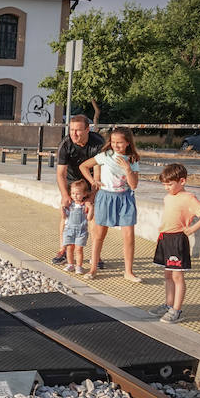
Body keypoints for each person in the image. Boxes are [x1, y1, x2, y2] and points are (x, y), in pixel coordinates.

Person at [149, 163, 200, 323]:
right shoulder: (168, 197)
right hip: (165, 238)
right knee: (168, 274)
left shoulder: (189, 198)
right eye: (164, 184)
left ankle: (177, 310)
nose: (166, 188)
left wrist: (192, 229)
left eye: (169, 184)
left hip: (177, 239)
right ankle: (168, 305)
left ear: (182, 181)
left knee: (177, 276)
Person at [79, 126, 141, 282]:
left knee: (129, 237)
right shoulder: (105, 155)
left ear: (127, 143)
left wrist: (128, 169)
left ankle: (128, 272)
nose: (116, 145)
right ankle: (93, 269)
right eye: (113, 142)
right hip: (106, 197)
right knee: (99, 236)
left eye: (119, 142)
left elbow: (133, 185)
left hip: (125, 199)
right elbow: (83, 166)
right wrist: (93, 181)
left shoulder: (133, 159)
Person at [54, 115, 104, 266]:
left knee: (93, 217)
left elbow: (98, 174)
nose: (74, 134)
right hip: (72, 182)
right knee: (66, 215)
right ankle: (63, 249)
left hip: (91, 181)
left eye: (78, 131)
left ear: (88, 130)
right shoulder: (65, 144)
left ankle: (96, 255)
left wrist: (91, 198)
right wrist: (65, 195)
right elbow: (60, 174)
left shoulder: (98, 144)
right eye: (71, 130)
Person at [62, 180, 95, 274]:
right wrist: (62, 208)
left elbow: (89, 218)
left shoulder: (85, 205)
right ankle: (70, 264)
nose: (75, 195)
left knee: (79, 249)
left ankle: (79, 266)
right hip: (69, 230)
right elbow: (64, 217)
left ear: (84, 194)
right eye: (72, 193)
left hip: (81, 231)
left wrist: (91, 208)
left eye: (78, 193)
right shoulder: (70, 204)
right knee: (69, 248)